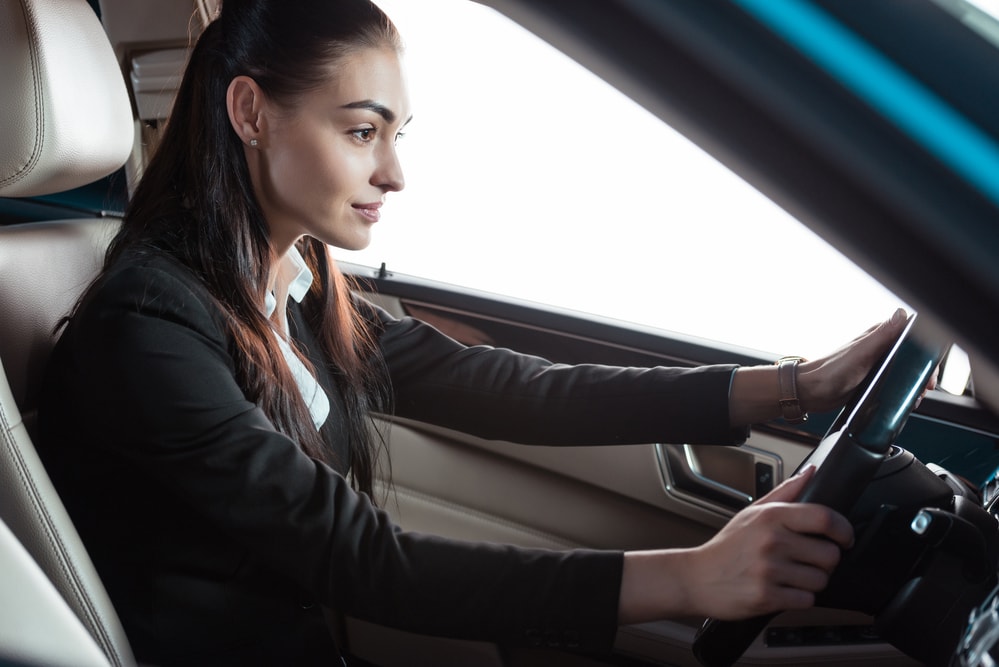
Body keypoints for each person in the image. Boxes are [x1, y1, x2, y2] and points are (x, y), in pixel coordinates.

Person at [36, 0, 914, 665]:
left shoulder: (291, 286)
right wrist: (691, 576)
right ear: (251, 114)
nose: (395, 171)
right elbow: (360, 557)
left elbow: (505, 386)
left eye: (397, 133)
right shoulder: (147, 327)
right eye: (360, 130)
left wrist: (790, 387)